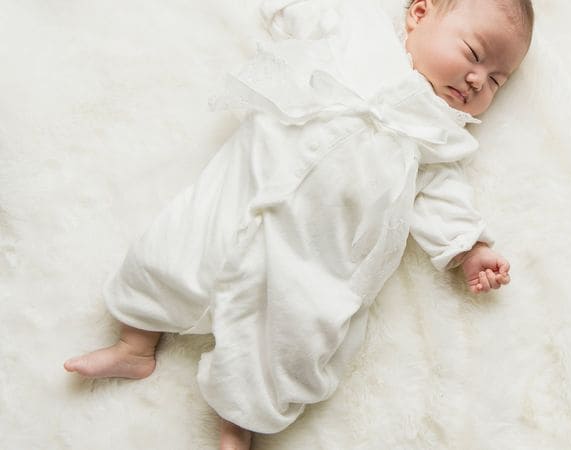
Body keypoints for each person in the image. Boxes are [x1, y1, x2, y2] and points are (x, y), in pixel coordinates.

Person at [63, 0, 534, 448]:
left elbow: (442, 196)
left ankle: (239, 425)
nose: (477, 80)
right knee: (172, 253)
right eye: (473, 54)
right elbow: (306, 13)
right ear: (419, 14)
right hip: (243, 191)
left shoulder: (442, 134)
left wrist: (471, 249)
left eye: (497, 80)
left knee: (288, 341)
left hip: (314, 256)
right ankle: (135, 346)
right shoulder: (358, 28)